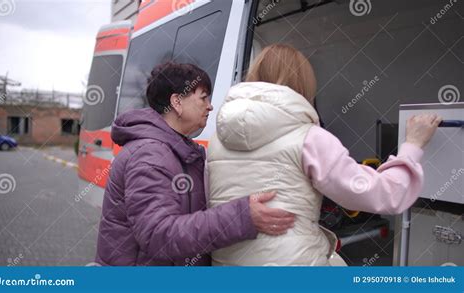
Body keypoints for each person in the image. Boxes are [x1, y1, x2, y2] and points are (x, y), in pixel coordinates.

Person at [207, 44, 442, 266]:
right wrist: (413, 144)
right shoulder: (309, 137)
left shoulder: (217, 140)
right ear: (303, 84)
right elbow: (386, 195)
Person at [95, 62, 295, 266]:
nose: (210, 105)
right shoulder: (149, 155)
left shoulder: (180, 150)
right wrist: (241, 217)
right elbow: (159, 235)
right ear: (177, 102)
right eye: (203, 97)